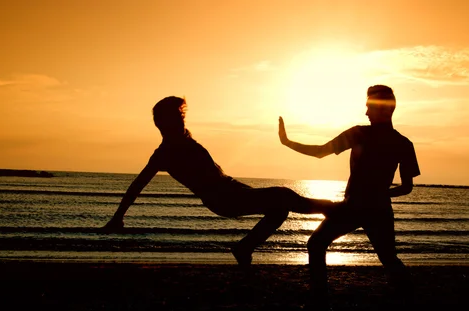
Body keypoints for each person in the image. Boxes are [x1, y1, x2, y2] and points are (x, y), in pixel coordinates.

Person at [104, 96, 335, 266]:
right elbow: (137, 185)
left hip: (232, 189)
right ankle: (332, 209)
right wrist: (118, 217)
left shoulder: (185, 141)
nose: (183, 121)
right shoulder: (164, 153)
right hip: (222, 198)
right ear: (164, 123)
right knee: (283, 195)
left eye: (181, 116)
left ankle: (244, 247)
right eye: (177, 117)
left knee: (280, 209)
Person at [278, 85, 421, 297]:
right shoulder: (403, 143)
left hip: (354, 207)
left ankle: (319, 296)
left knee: (316, 244)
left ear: (384, 109)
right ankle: (411, 299)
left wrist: (287, 142)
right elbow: (407, 187)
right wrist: (382, 194)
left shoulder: (360, 133)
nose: (366, 113)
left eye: (369, 108)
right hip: (378, 209)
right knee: (389, 259)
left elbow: (320, 152)